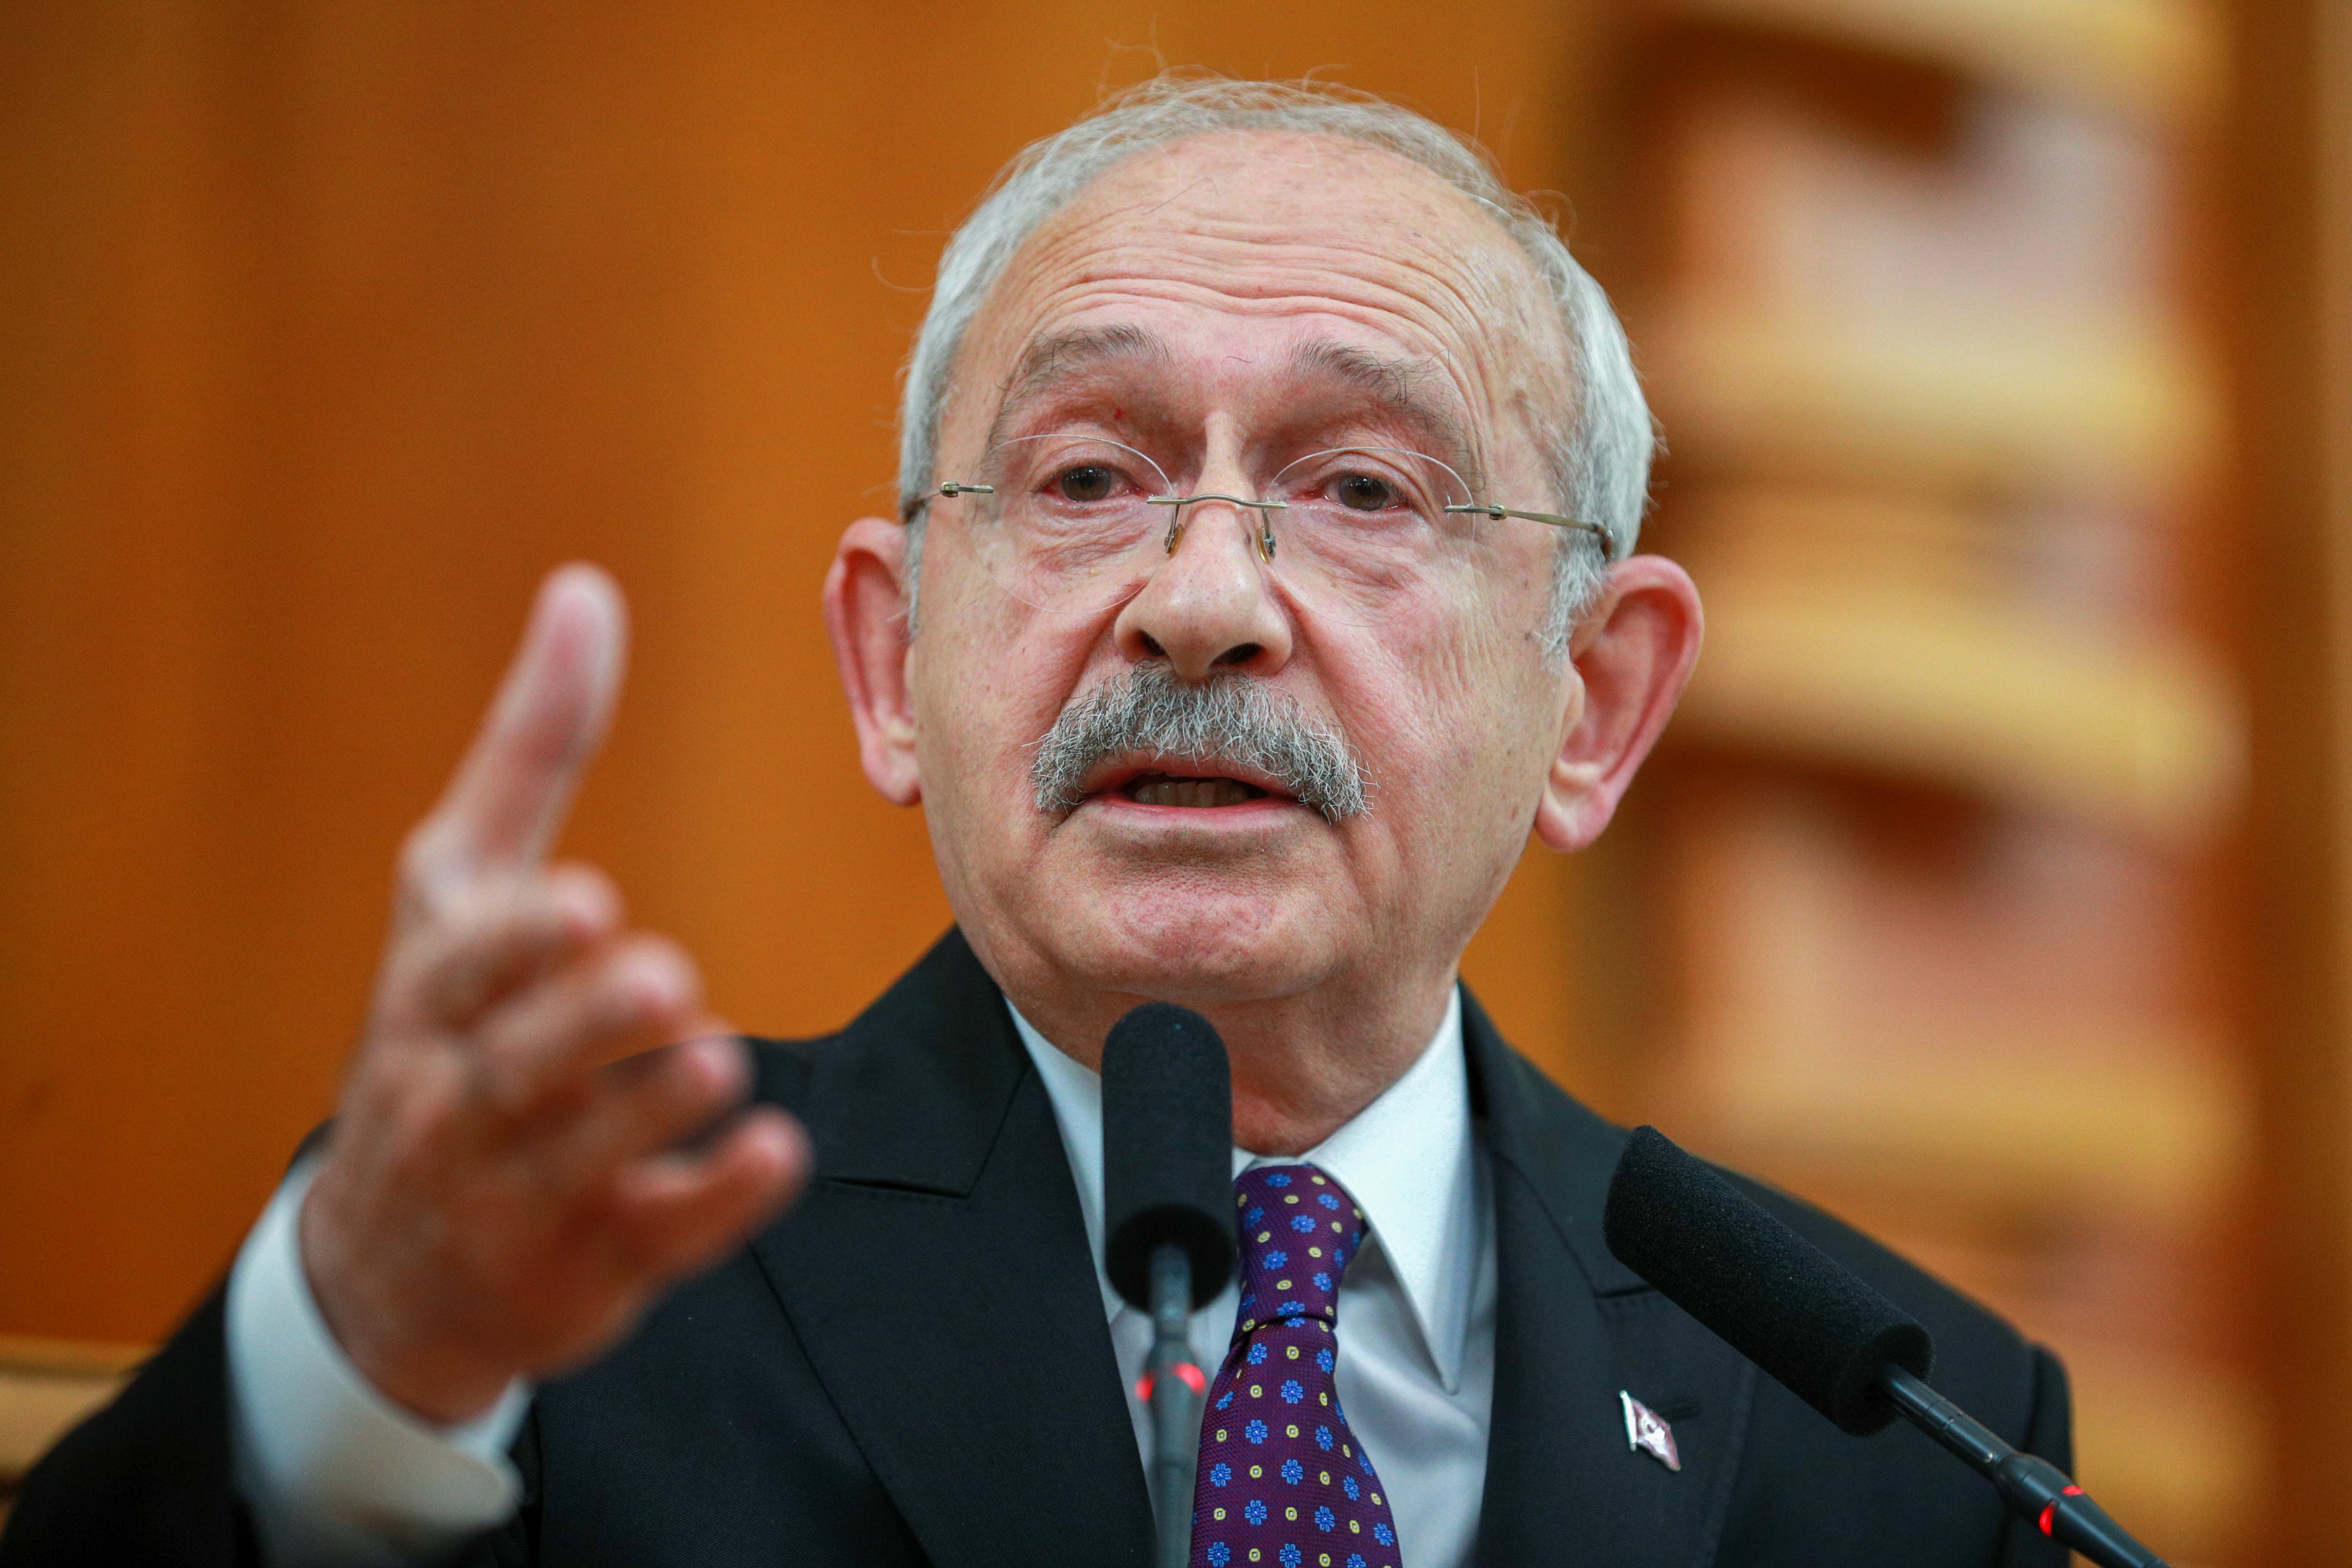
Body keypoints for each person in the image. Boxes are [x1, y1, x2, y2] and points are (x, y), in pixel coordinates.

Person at [0, 78, 2069, 1568]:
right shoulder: (535, 1284)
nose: (1203, 595)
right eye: (1088, 476)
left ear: (1593, 704)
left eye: (1363, 488)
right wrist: (353, 1385)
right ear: (896, 662)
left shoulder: (1905, 1429)